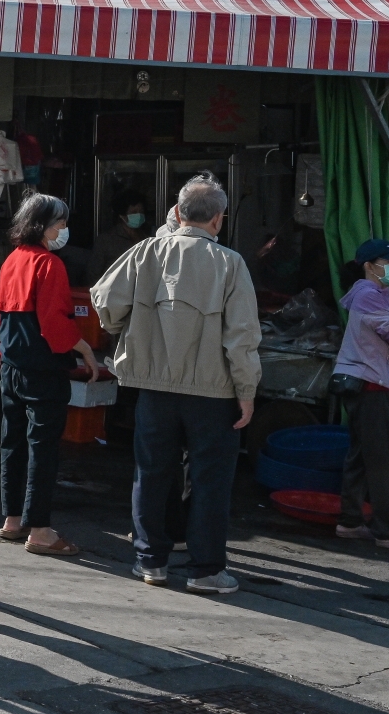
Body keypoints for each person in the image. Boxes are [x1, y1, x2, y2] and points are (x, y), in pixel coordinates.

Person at [91, 174, 261, 594]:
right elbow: (242, 339)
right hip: (213, 393)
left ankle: (151, 563)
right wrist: (247, 392)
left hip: (153, 388)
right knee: (210, 481)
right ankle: (205, 571)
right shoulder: (230, 264)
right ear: (219, 220)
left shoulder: (146, 251)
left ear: (178, 213)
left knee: (151, 473)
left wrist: (127, 329)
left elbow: (105, 302)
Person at [0, 193, 103, 557]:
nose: (64, 230)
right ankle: (39, 530)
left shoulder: (12, 260)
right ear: (42, 226)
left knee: (12, 442)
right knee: (42, 448)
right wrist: (86, 350)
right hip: (43, 370)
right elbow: (54, 322)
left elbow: (1, 315)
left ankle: (12, 520)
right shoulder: (49, 264)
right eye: (60, 223)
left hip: (11, 366)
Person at [331, 239, 389, 549]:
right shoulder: (369, 294)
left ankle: (350, 521)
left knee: (361, 456)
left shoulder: (370, 293)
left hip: (362, 382)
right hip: (372, 384)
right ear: (369, 265)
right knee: (382, 460)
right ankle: (387, 531)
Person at [88, 189, 148, 283]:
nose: (138, 215)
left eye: (141, 211)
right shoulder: (106, 240)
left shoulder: (146, 238)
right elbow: (93, 275)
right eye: (133, 212)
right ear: (122, 215)